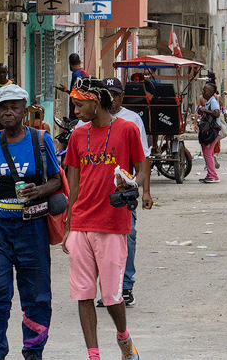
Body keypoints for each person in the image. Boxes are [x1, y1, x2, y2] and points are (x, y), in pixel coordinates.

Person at [0, 84, 63, 360]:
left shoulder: (40, 140)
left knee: (36, 295)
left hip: (32, 228)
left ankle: (34, 351)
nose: (8, 112)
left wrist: (40, 190)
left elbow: (57, 179)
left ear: (25, 111)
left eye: (14, 107)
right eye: (3, 108)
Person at [63, 78, 150, 360]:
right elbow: (72, 184)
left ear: (96, 101)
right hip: (81, 224)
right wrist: (68, 226)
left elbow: (141, 163)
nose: (75, 111)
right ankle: (94, 355)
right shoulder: (77, 135)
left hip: (112, 224)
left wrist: (136, 186)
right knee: (83, 295)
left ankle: (124, 339)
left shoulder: (127, 129)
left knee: (112, 297)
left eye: (79, 105)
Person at [101, 77, 150, 306]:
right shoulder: (89, 123)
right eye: (107, 94)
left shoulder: (132, 121)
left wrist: (143, 190)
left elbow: (142, 159)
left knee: (128, 237)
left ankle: (126, 285)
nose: (111, 99)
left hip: (123, 191)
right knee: (100, 241)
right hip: (97, 193)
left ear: (122, 96)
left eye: (115, 94)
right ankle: (108, 288)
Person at [196, 83, 222, 183]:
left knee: (207, 153)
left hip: (212, 131)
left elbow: (217, 113)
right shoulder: (208, 102)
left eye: (205, 91)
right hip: (210, 130)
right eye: (203, 90)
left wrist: (205, 111)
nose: (203, 93)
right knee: (208, 152)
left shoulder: (214, 102)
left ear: (211, 93)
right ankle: (210, 174)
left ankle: (213, 175)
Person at [67, 53, 90, 120]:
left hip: (77, 109)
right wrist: (66, 90)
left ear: (69, 63)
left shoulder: (76, 74)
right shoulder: (84, 73)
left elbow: (77, 93)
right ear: (80, 62)